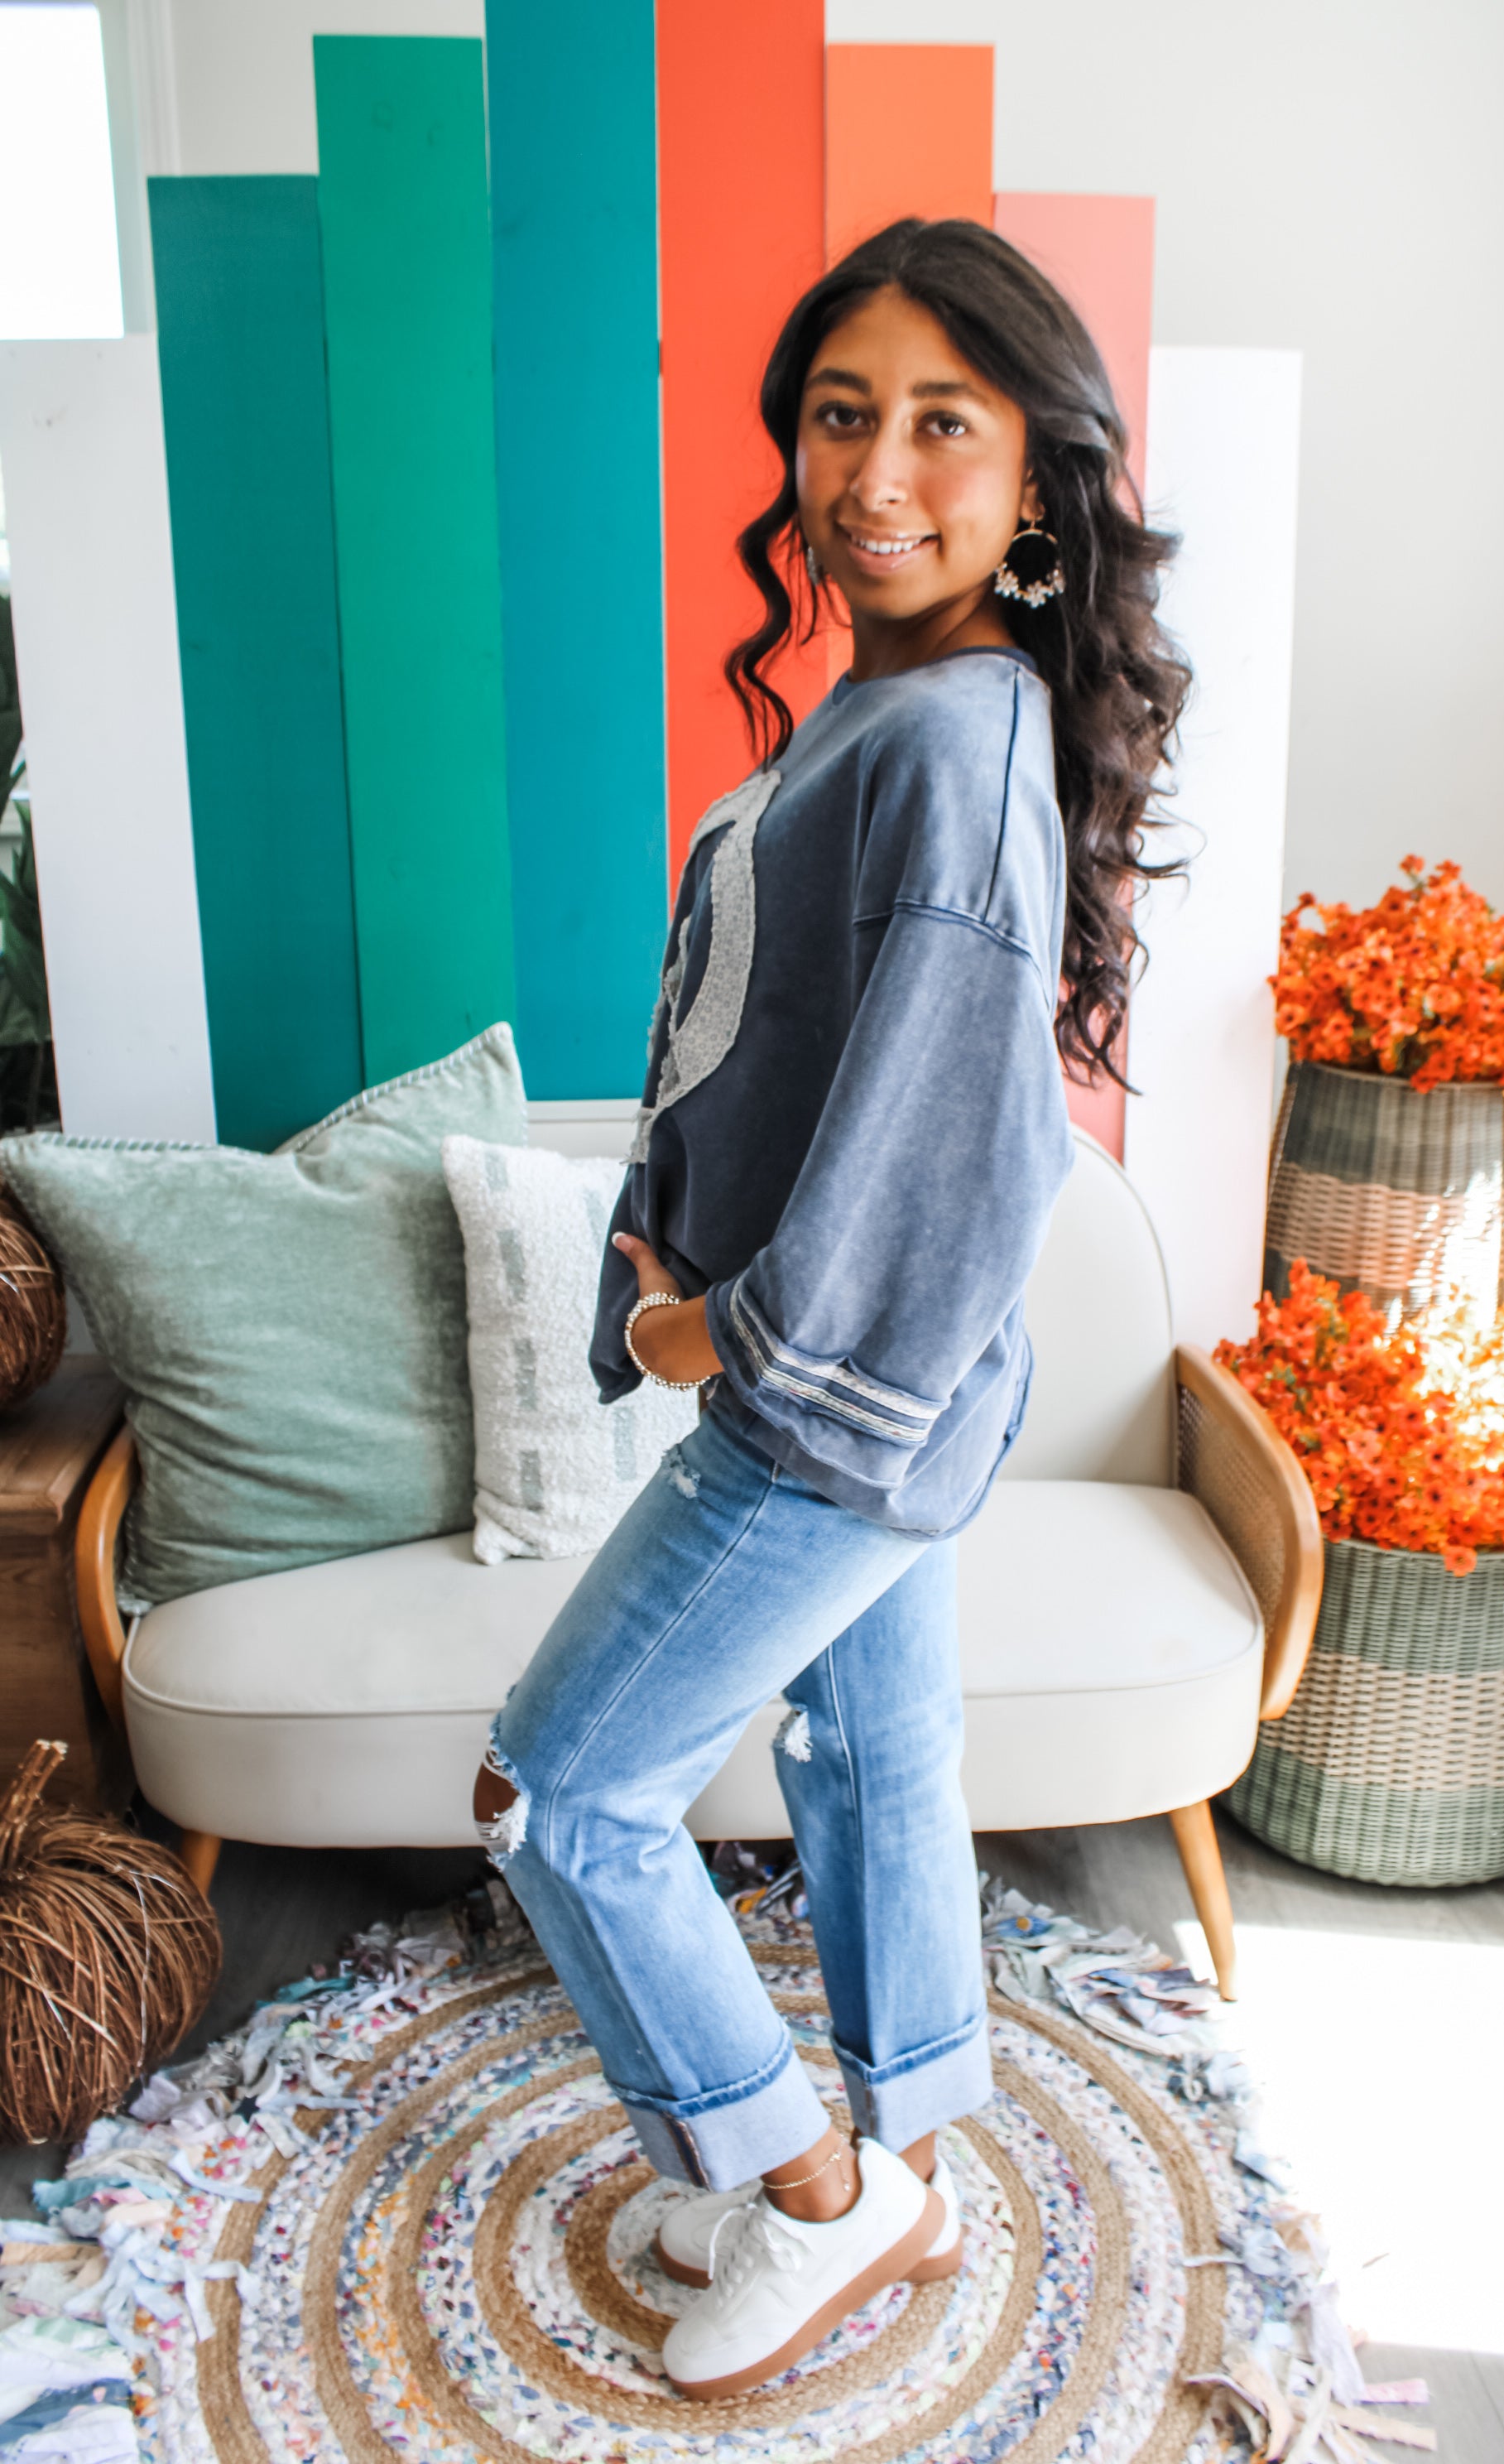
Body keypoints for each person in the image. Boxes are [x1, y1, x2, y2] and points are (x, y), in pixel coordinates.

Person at [473, 215, 1189, 2402]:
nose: (874, 472)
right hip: (895, 1396)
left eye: (943, 424)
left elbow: (958, 1147)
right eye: (838, 414)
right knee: (876, 1757)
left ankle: (808, 2190)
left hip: (833, 1404)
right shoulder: (922, 707)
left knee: (557, 1796)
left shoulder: (952, 742)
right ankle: (915, 2160)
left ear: (1038, 477)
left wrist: (714, 1337)